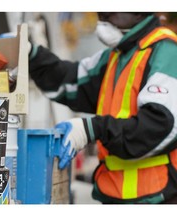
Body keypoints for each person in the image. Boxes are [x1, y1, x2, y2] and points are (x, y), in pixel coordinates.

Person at [28, 12, 177, 204]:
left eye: (110, 9)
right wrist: (30, 55)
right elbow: (69, 79)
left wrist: (91, 129)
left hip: (159, 199)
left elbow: (160, 127)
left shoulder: (166, 52)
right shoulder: (117, 56)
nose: (102, 15)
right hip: (116, 197)